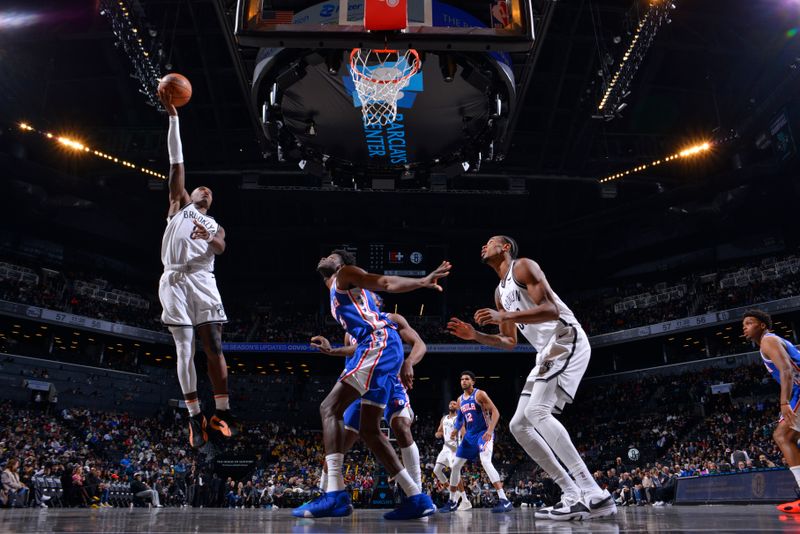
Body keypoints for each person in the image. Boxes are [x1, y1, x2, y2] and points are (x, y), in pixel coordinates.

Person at [447, 236, 616, 521]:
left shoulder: (523, 267)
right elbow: (510, 342)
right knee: (518, 425)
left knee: (537, 411)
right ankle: (572, 493)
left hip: (564, 336)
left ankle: (594, 494)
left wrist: (503, 315)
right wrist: (475, 335)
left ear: (505, 248)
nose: (483, 245)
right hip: (544, 352)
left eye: (490, 242)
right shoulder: (500, 293)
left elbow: (551, 309)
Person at [294, 249, 449, 519]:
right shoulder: (340, 291)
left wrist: (422, 281)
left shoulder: (345, 274)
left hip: (378, 344)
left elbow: (386, 283)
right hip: (379, 348)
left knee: (328, 408)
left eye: (331, 255)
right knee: (368, 429)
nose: (324, 256)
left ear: (342, 264)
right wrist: (332, 351)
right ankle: (416, 497)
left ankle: (334, 495)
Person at [156, 90, 235, 448]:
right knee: (184, 349)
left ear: (211, 202)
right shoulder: (179, 206)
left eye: (209, 191)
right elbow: (176, 163)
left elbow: (221, 246)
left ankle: (222, 411)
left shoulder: (215, 223)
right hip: (173, 278)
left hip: (203, 279)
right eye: (199, 188)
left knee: (214, 344)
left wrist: (210, 236)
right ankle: (194, 416)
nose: (204, 190)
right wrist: (174, 117)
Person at [310, 293, 428, 496]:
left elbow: (420, 344)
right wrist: (331, 351)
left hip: (388, 381)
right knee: (341, 440)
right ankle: (321, 493)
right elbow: (354, 349)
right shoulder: (352, 330)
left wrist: (408, 362)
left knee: (401, 426)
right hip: (362, 382)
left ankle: (418, 491)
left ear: (376, 303)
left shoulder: (392, 319)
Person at [742, 309, 800, 513]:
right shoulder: (767, 344)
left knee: (783, 435)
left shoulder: (768, 340)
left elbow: (786, 370)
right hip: (797, 391)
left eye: (749, 323)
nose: (745, 327)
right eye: (744, 325)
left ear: (763, 326)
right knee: (790, 437)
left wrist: (784, 403)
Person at [439, 371, 511, 513]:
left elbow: (495, 412)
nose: (463, 381)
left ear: (473, 381)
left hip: (482, 433)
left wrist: (490, 431)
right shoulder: (460, 400)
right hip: (469, 436)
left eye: (466, 379)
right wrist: (455, 429)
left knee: (485, 461)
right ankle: (452, 501)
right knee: (455, 466)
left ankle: (504, 500)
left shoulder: (480, 394)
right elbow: (460, 419)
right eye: (461, 379)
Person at [433, 400, 471, 510]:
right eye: (450, 403)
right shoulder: (444, 418)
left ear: (457, 407)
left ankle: (464, 499)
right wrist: (437, 434)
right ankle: (452, 490)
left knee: (455, 472)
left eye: (454, 404)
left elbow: (464, 433)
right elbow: (439, 431)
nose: (451, 405)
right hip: (445, 448)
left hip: (455, 449)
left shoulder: (459, 418)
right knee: (436, 470)